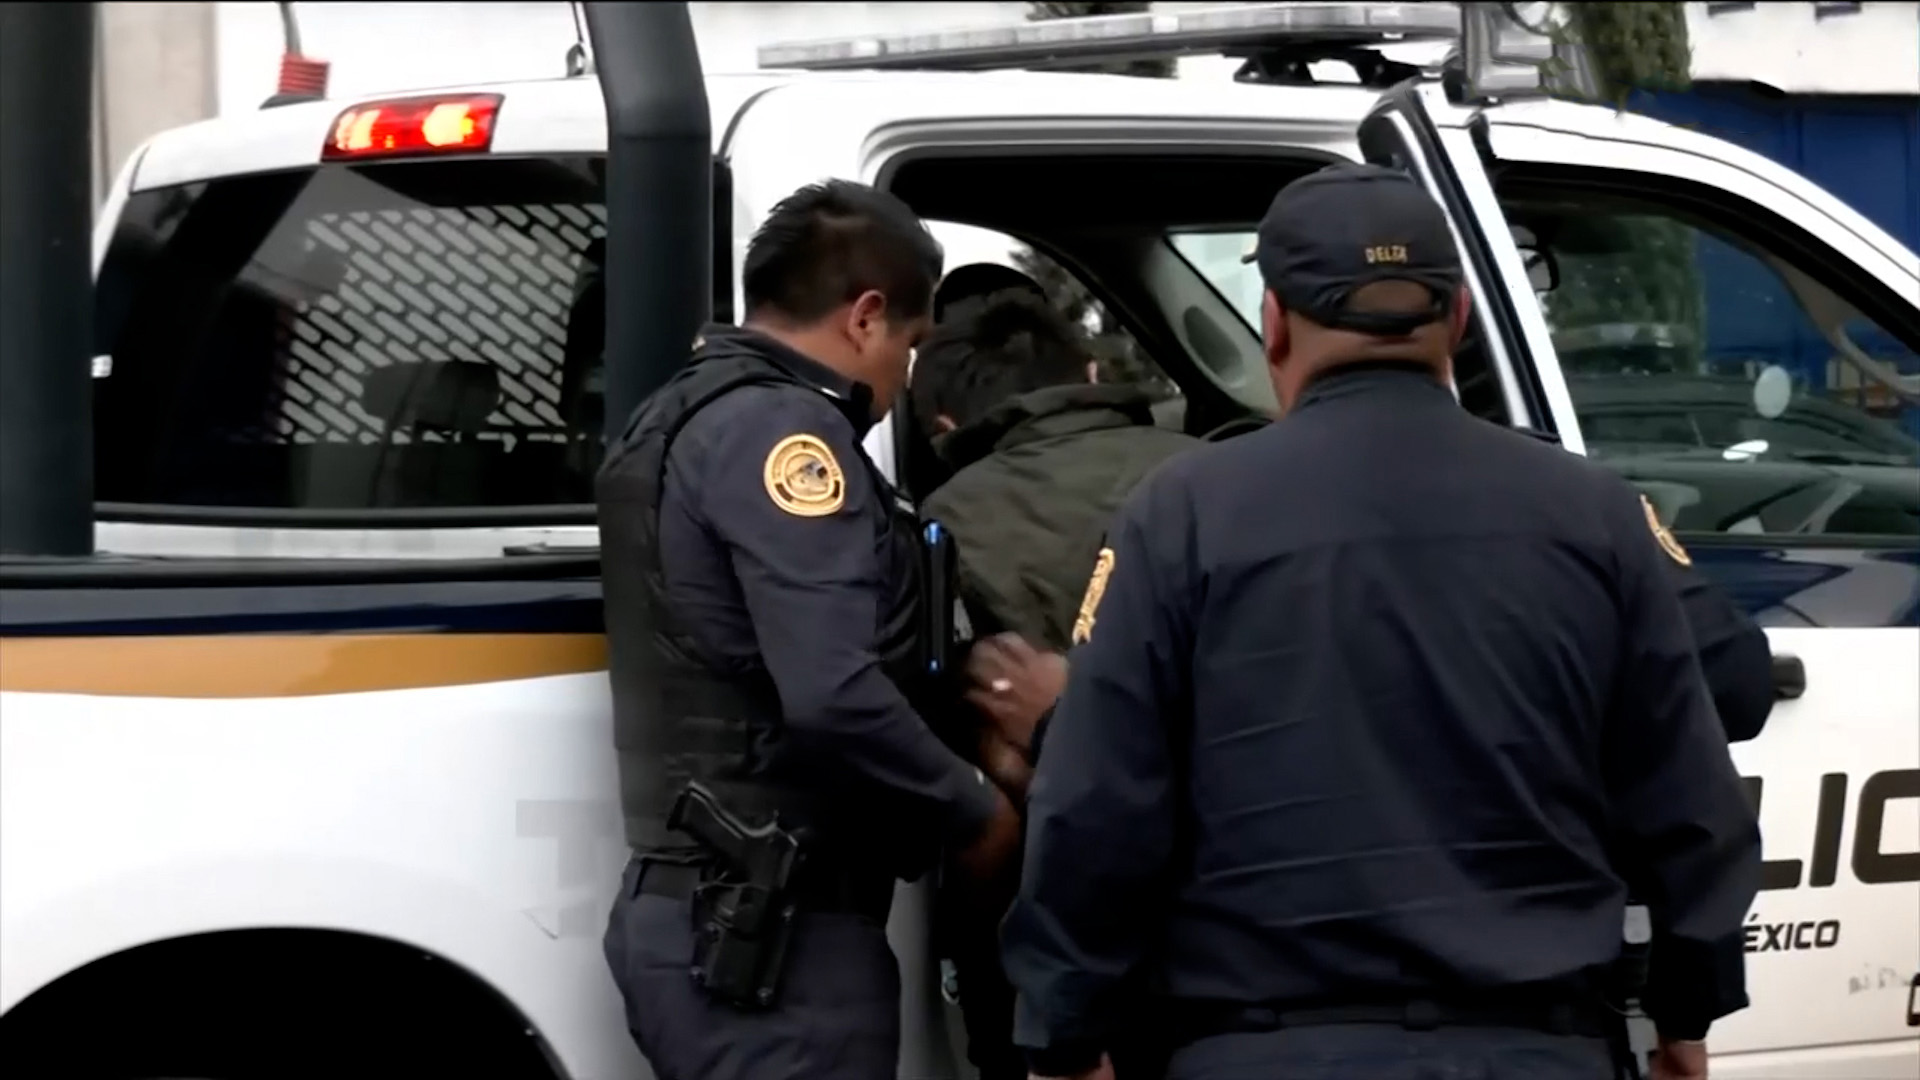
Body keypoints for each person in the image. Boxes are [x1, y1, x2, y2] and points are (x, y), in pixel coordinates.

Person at [996, 163, 1762, 1080]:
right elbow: (1693, 801)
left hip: (1265, 1053)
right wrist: (1688, 1010)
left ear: (1274, 322)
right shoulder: (1593, 510)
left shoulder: (1183, 515)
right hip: (1537, 1049)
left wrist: (1067, 1038)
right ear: (1463, 316)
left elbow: (1094, 806)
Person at [594, 178, 1023, 1080]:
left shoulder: (682, 413)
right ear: (866, 318)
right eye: (910, 343)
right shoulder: (785, 432)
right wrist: (975, 809)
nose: (904, 376)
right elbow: (832, 691)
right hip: (775, 941)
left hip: (726, 920)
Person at [908, 288, 1201, 1080]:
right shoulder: (1214, 476)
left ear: (942, 425)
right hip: (1229, 913)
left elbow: (964, 740)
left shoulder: (946, 522)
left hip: (1058, 926)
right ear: (1095, 371)